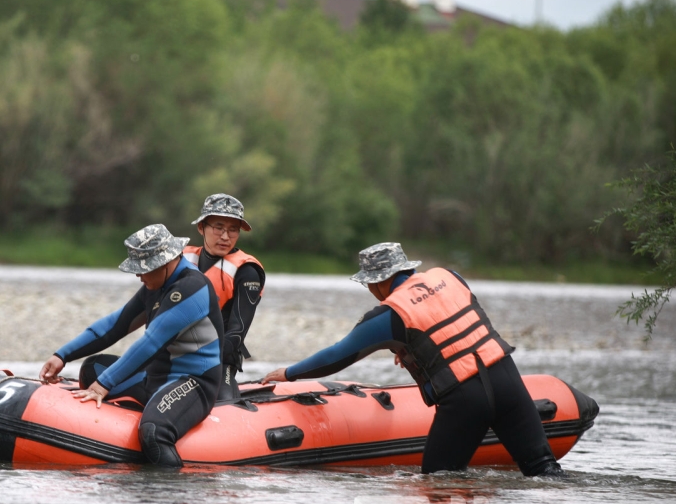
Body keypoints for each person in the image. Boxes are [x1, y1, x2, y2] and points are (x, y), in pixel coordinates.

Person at [262, 242, 563, 477]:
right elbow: (454, 324)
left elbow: (338, 355)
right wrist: (411, 347)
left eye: (369, 284)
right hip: (507, 378)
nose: (370, 291)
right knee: (543, 470)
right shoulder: (449, 277)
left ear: (380, 281)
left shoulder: (389, 314)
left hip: (465, 398)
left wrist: (289, 373)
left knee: (439, 480)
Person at [39, 224, 224, 467]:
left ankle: (168, 491)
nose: (139, 275)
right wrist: (62, 355)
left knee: (153, 432)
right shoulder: (156, 285)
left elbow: (151, 343)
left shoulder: (192, 287)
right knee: (92, 368)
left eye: (143, 269)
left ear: (166, 262)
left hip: (194, 383)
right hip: (154, 378)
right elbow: (114, 326)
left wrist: (104, 385)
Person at [183, 193, 265, 400]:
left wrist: (197, 362)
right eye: (218, 228)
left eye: (233, 230)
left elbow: (237, 333)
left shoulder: (247, 271)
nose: (225, 237)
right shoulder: (180, 261)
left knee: (223, 402)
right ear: (201, 227)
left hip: (220, 361)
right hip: (172, 355)